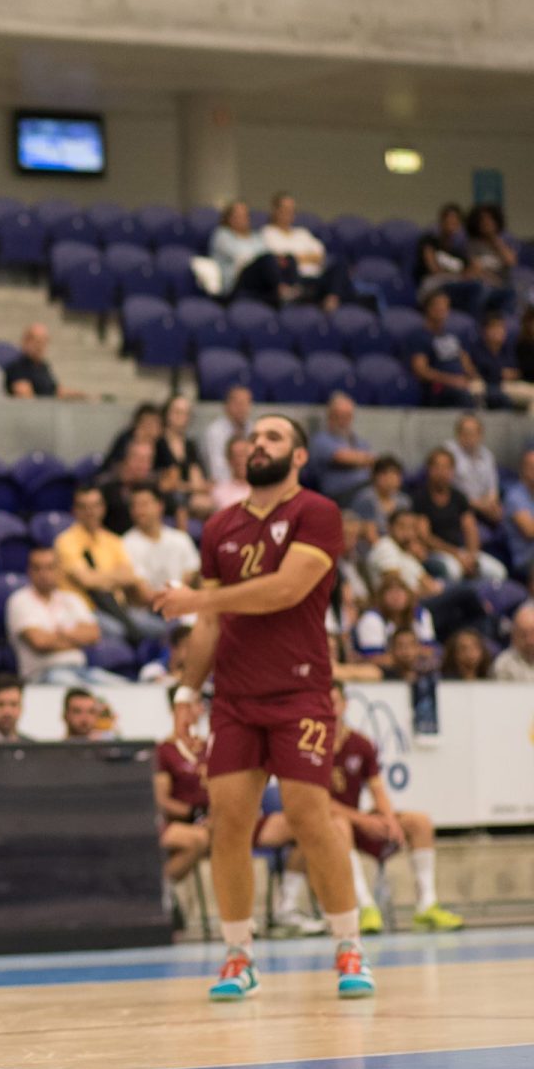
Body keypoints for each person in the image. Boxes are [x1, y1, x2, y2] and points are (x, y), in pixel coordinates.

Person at [153, 413, 374, 1002]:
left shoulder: (316, 513)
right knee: (227, 822)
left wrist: (199, 595)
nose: (259, 444)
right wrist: (185, 691)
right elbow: (209, 622)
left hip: (300, 692)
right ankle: (238, 955)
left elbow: (284, 590)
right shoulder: (220, 525)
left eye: (274, 437)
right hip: (234, 699)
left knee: (308, 813)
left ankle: (348, 944)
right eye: (254, 437)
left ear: (299, 456)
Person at [298, 683, 463, 934]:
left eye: (335, 702)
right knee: (339, 825)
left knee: (419, 822)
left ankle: (426, 905)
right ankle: (364, 906)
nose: (330, 709)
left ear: (345, 705)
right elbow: (318, 801)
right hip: (329, 825)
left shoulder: (361, 743)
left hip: (357, 820)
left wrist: (388, 819)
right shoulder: (308, 746)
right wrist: (363, 821)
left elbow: (378, 789)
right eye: (324, 703)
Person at [55, 486, 167, 644]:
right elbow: (86, 581)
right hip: (86, 610)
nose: (90, 512)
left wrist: (98, 577)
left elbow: (129, 576)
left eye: (95, 506)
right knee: (117, 631)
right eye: (84, 507)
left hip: (118, 607)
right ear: (75, 511)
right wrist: (113, 577)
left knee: (161, 628)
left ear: (103, 508)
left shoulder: (113, 540)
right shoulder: (66, 541)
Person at [7, 547, 107, 685]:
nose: (43, 574)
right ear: (29, 571)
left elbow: (94, 634)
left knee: (121, 687)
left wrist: (59, 634)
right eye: (37, 568)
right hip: (42, 674)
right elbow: (40, 642)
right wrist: (76, 640)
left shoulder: (72, 599)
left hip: (81, 669)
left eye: (49, 568)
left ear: (59, 570)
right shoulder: (20, 600)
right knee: (76, 688)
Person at [417, 447, 504, 583]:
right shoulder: (420, 499)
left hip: (461, 550)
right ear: (429, 470)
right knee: (453, 572)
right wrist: (456, 554)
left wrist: (472, 555)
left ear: (452, 471)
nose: (442, 472)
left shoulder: (458, 497)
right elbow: (425, 536)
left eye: (446, 467)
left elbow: (470, 529)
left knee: (497, 572)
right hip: (435, 553)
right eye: (437, 467)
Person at [153, 707, 212, 883]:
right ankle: (160, 891)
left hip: (214, 819)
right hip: (180, 821)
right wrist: (195, 813)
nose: (196, 711)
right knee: (200, 838)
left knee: (229, 832)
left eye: (198, 705)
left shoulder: (209, 747)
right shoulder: (164, 751)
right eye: (189, 707)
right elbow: (161, 800)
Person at [408, 290, 482, 408]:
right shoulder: (419, 336)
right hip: (439, 387)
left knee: (495, 396)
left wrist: (475, 377)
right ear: (428, 308)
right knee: (464, 397)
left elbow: (465, 361)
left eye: (445, 305)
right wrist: (452, 381)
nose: (442, 309)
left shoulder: (452, 336)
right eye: (438, 305)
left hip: (461, 383)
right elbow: (421, 371)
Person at [122, 484, 199, 593]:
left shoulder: (180, 538)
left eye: (144, 504)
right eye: (134, 506)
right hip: (146, 607)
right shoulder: (125, 544)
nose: (139, 511)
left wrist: (177, 593)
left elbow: (192, 572)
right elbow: (141, 589)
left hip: (182, 600)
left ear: (160, 506)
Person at [444, 413, 501, 525]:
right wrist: (478, 505)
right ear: (457, 434)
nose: (469, 437)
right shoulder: (448, 452)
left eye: (473, 433)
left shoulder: (487, 455)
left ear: (480, 435)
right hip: (459, 506)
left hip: (484, 506)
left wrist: (491, 503)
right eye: (465, 432)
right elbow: (448, 488)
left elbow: (493, 488)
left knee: (502, 514)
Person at [4, 322, 82, 399]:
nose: (40, 346)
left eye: (44, 342)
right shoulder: (17, 367)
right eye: (37, 342)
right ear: (25, 341)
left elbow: (56, 390)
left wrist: (79, 395)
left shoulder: (43, 366)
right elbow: (25, 397)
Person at [209, 200, 267, 296]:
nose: (243, 219)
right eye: (238, 216)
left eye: (245, 216)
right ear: (229, 218)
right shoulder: (222, 235)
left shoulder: (256, 237)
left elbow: (266, 255)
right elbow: (241, 257)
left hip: (258, 280)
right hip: (235, 281)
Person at [202, 385, 252, 493]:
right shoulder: (215, 431)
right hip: (224, 486)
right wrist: (237, 486)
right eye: (238, 403)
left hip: (250, 484)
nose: (242, 408)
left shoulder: (253, 430)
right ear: (227, 405)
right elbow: (217, 470)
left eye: (246, 403)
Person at [502, 448, 534, 582]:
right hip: (527, 560)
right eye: (531, 467)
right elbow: (530, 531)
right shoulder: (515, 496)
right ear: (523, 469)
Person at [490, 604, 534, 682]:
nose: (529, 641)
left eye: (533, 633)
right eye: (523, 635)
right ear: (513, 636)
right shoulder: (503, 665)